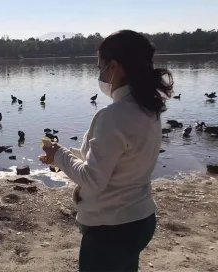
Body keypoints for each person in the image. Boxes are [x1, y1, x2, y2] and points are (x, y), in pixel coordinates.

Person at [41, 30, 174, 272]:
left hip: (112, 227)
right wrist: (61, 154)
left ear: (114, 66)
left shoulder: (113, 116)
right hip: (140, 219)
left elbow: (92, 179)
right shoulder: (148, 108)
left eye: (100, 66)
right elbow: (112, 160)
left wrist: (59, 155)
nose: (100, 74)